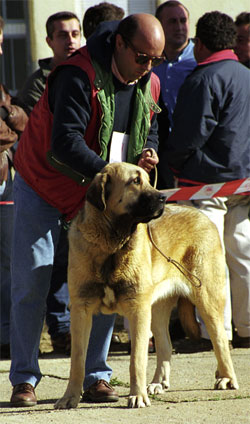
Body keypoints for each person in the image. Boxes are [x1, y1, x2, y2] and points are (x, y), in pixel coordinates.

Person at [9, 13, 165, 406]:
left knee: (108, 281)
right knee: (32, 281)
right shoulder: (77, 76)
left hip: (99, 195)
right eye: (142, 57)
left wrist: (149, 153)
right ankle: (24, 379)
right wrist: (112, 176)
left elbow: (152, 126)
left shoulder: (150, 82)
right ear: (120, 45)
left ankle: (97, 375)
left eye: (156, 60)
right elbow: (64, 142)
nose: (148, 66)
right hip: (43, 185)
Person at [164, 11, 250, 349]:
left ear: (199, 43)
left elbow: (188, 136)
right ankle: (246, 328)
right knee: (242, 255)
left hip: (205, 186)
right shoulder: (246, 75)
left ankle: (215, 333)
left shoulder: (202, 80)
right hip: (244, 183)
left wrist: (176, 162)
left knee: (208, 263)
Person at [17, 11, 82, 355]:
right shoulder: (39, 82)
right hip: (42, 184)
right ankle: (56, 329)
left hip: (75, 187)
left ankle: (70, 329)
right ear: (49, 41)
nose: (70, 40)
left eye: (75, 33)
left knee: (72, 259)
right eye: (62, 35)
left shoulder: (89, 75)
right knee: (46, 267)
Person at [0, 16, 28, 359]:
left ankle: (6, 336)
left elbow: (23, 124)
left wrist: (15, 114)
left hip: (7, 178)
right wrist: (14, 121)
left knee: (8, 264)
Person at [154, 0, 197, 190]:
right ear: (159, 26)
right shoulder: (148, 60)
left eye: (183, 20)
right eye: (172, 22)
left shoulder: (200, 59)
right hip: (160, 151)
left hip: (194, 152)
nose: (179, 27)